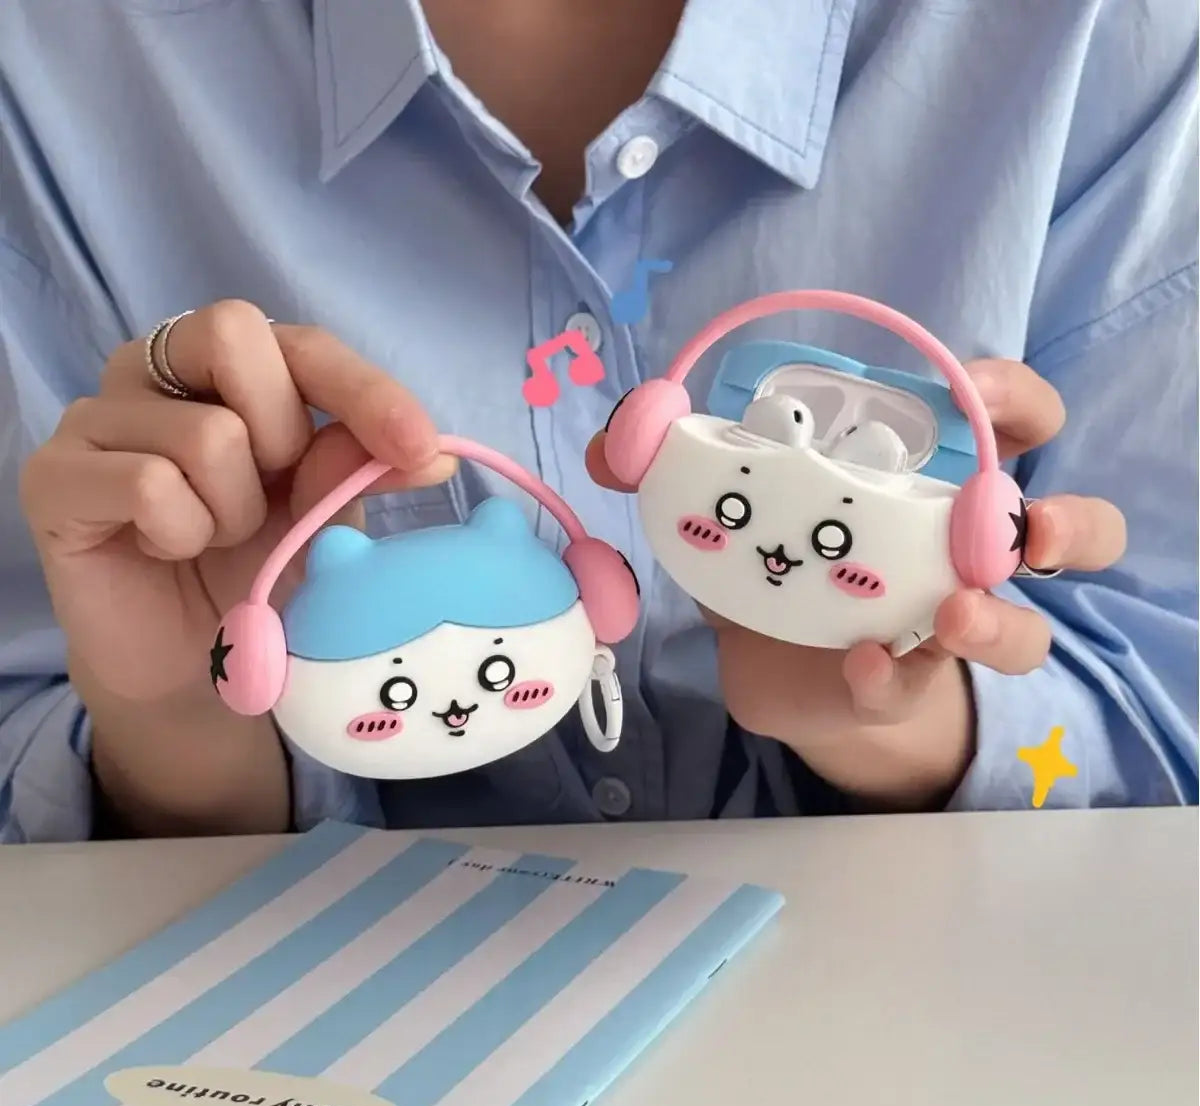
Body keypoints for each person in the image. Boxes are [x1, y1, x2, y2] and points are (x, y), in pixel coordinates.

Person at [0, 0, 1194, 843]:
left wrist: (908, 726)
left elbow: (1170, 745)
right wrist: (174, 729)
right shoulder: (54, 67)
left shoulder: (1101, 35)